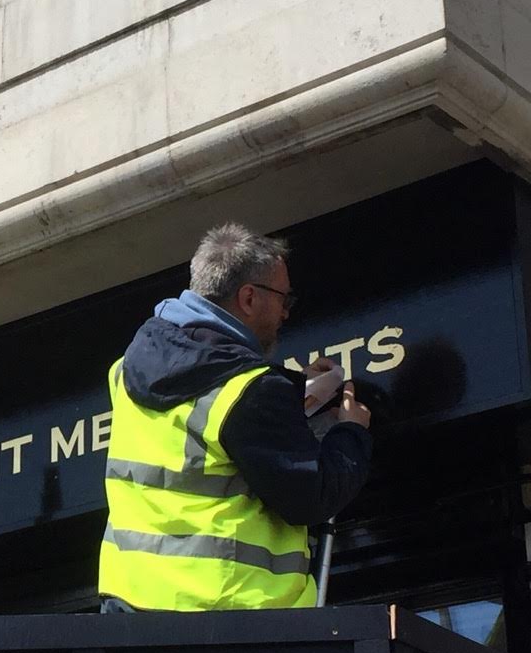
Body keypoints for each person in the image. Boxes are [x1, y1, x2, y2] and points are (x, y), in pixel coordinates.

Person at [99, 223, 372, 612]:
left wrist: (293, 388)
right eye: (284, 299)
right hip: (229, 624)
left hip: (130, 619)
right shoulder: (250, 389)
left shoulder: (125, 371)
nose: (286, 313)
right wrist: (350, 433)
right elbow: (313, 497)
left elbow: (203, 397)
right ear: (248, 298)